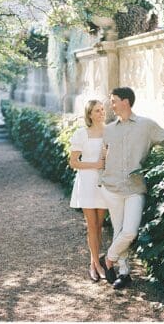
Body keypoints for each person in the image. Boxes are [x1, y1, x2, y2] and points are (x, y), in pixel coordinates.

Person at [99, 87, 164, 289]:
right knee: (118, 231)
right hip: (111, 187)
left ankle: (108, 259)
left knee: (129, 232)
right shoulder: (108, 129)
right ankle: (123, 273)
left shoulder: (146, 125)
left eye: (114, 100)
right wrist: (101, 178)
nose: (111, 104)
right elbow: (102, 156)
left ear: (126, 102)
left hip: (134, 187)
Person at [68, 99, 110, 282]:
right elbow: (73, 162)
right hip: (86, 182)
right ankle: (97, 265)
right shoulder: (81, 134)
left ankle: (94, 263)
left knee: (100, 225)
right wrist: (95, 164)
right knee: (91, 225)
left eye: (102, 110)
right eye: (97, 111)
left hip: (103, 184)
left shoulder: (110, 132)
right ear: (90, 114)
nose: (101, 113)